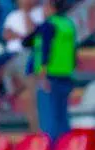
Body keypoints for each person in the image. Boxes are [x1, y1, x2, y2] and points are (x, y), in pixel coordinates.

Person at [26, 0, 76, 142]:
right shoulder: (68, 24)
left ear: (51, 8)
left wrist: (42, 71)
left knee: (49, 115)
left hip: (49, 75)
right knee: (63, 115)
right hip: (66, 74)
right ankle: (65, 147)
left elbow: (40, 47)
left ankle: (51, 149)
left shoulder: (48, 25)